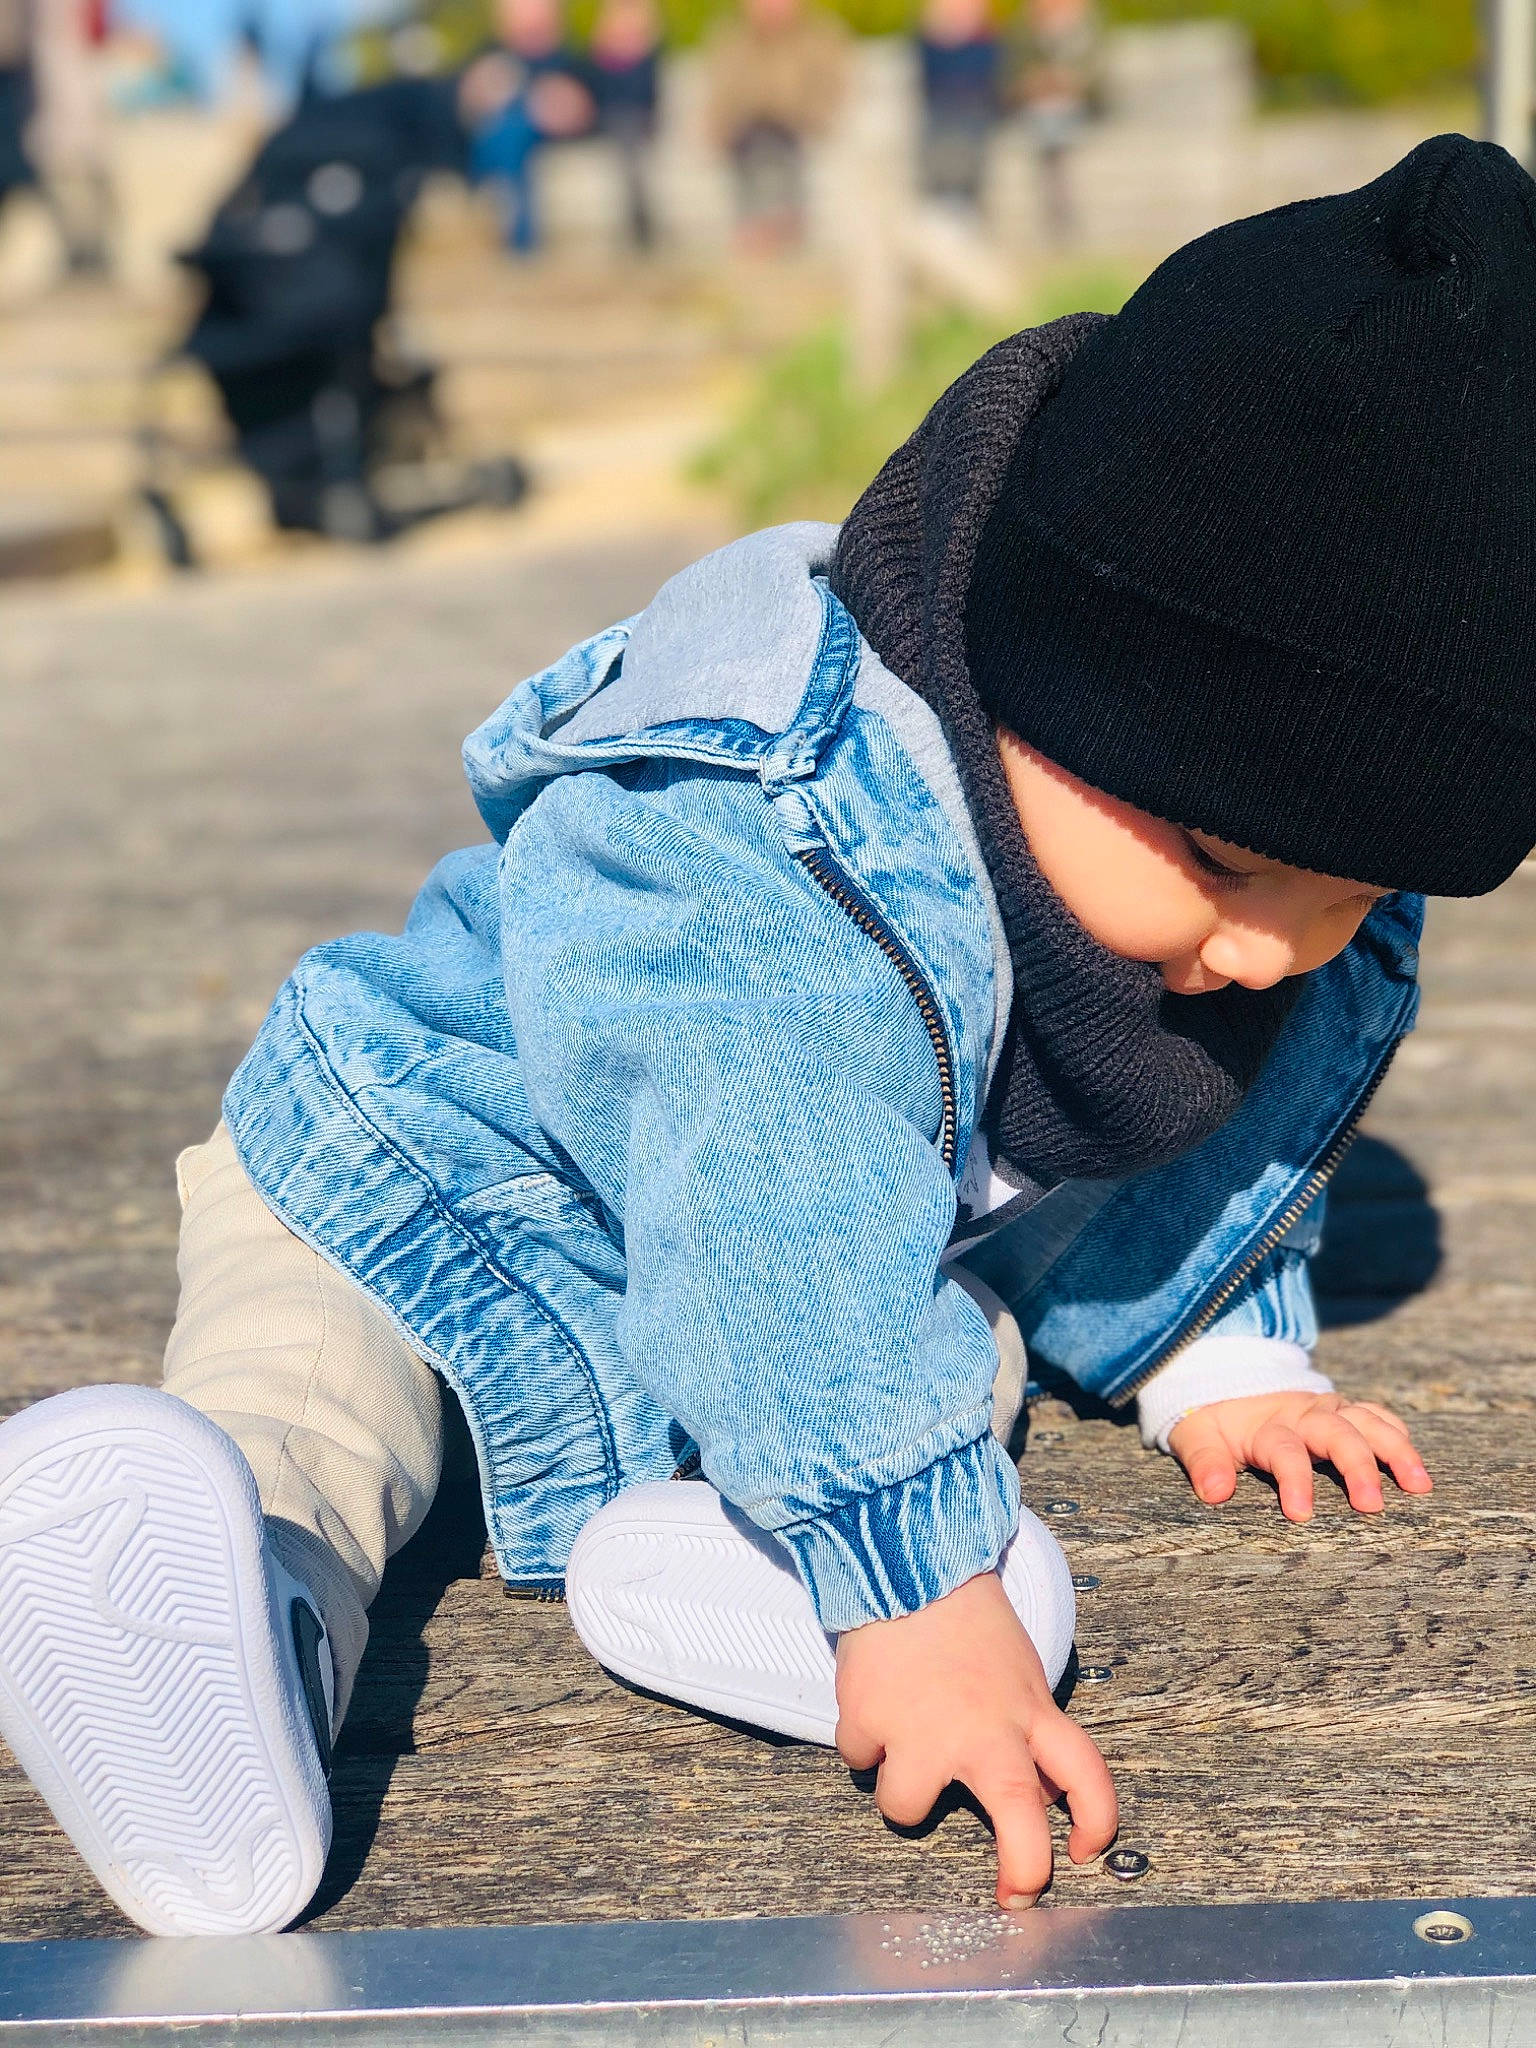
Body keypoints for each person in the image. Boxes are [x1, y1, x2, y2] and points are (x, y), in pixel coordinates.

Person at [8, 133, 1536, 1937]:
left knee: (975, 1509)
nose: (1266, 944)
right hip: (428, 1176)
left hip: (784, 1319)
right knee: (310, 1401)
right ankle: (233, 1616)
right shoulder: (782, 831)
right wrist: (906, 1576)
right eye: (1223, 855)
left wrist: (1224, 1351)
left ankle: (743, 1547)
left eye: (1356, 894)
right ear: (1034, 677)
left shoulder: (1216, 902)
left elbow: (1187, 1137)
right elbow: (770, 1183)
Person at [702, 0, 849, 254]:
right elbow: (720, 96)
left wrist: (807, 115)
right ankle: (768, 226)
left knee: (776, 147)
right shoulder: (731, 38)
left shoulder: (820, 36)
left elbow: (834, 88)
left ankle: (773, 226)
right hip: (748, 129)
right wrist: (717, 131)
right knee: (757, 145)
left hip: (798, 125)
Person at [466, 0, 593, 254]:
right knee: (509, 130)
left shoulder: (566, 57)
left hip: (545, 129)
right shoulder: (492, 53)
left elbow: (582, 105)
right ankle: (520, 233)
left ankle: (482, 184)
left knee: (513, 131)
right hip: (504, 131)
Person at [1009, 0, 1097, 242]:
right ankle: (1061, 219)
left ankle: (1062, 218)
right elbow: (1015, 73)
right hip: (1041, 106)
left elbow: (1095, 73)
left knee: (1055, 125)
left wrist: (1071, 81)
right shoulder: (1025, 29)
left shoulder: (1087, 28)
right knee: (1048, 123)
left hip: (1080, 106)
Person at [587, 0, 660, 252]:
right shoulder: (599, 58)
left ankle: (640, 226)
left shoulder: (650, 57)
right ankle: (640, 226)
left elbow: (648, 98)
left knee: (629, 141)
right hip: (609, 122)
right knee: (625, 138)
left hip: (638, 123)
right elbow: (597, 96)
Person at [916, 0, 1000, 214]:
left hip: (977, 108)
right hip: (941, 109)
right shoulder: (930, 43)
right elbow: (929, 80)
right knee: (938, 136)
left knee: (971, 134)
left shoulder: (987, 41)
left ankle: (967, 198)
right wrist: (944, 38)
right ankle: (940, 198)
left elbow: (987, 78)